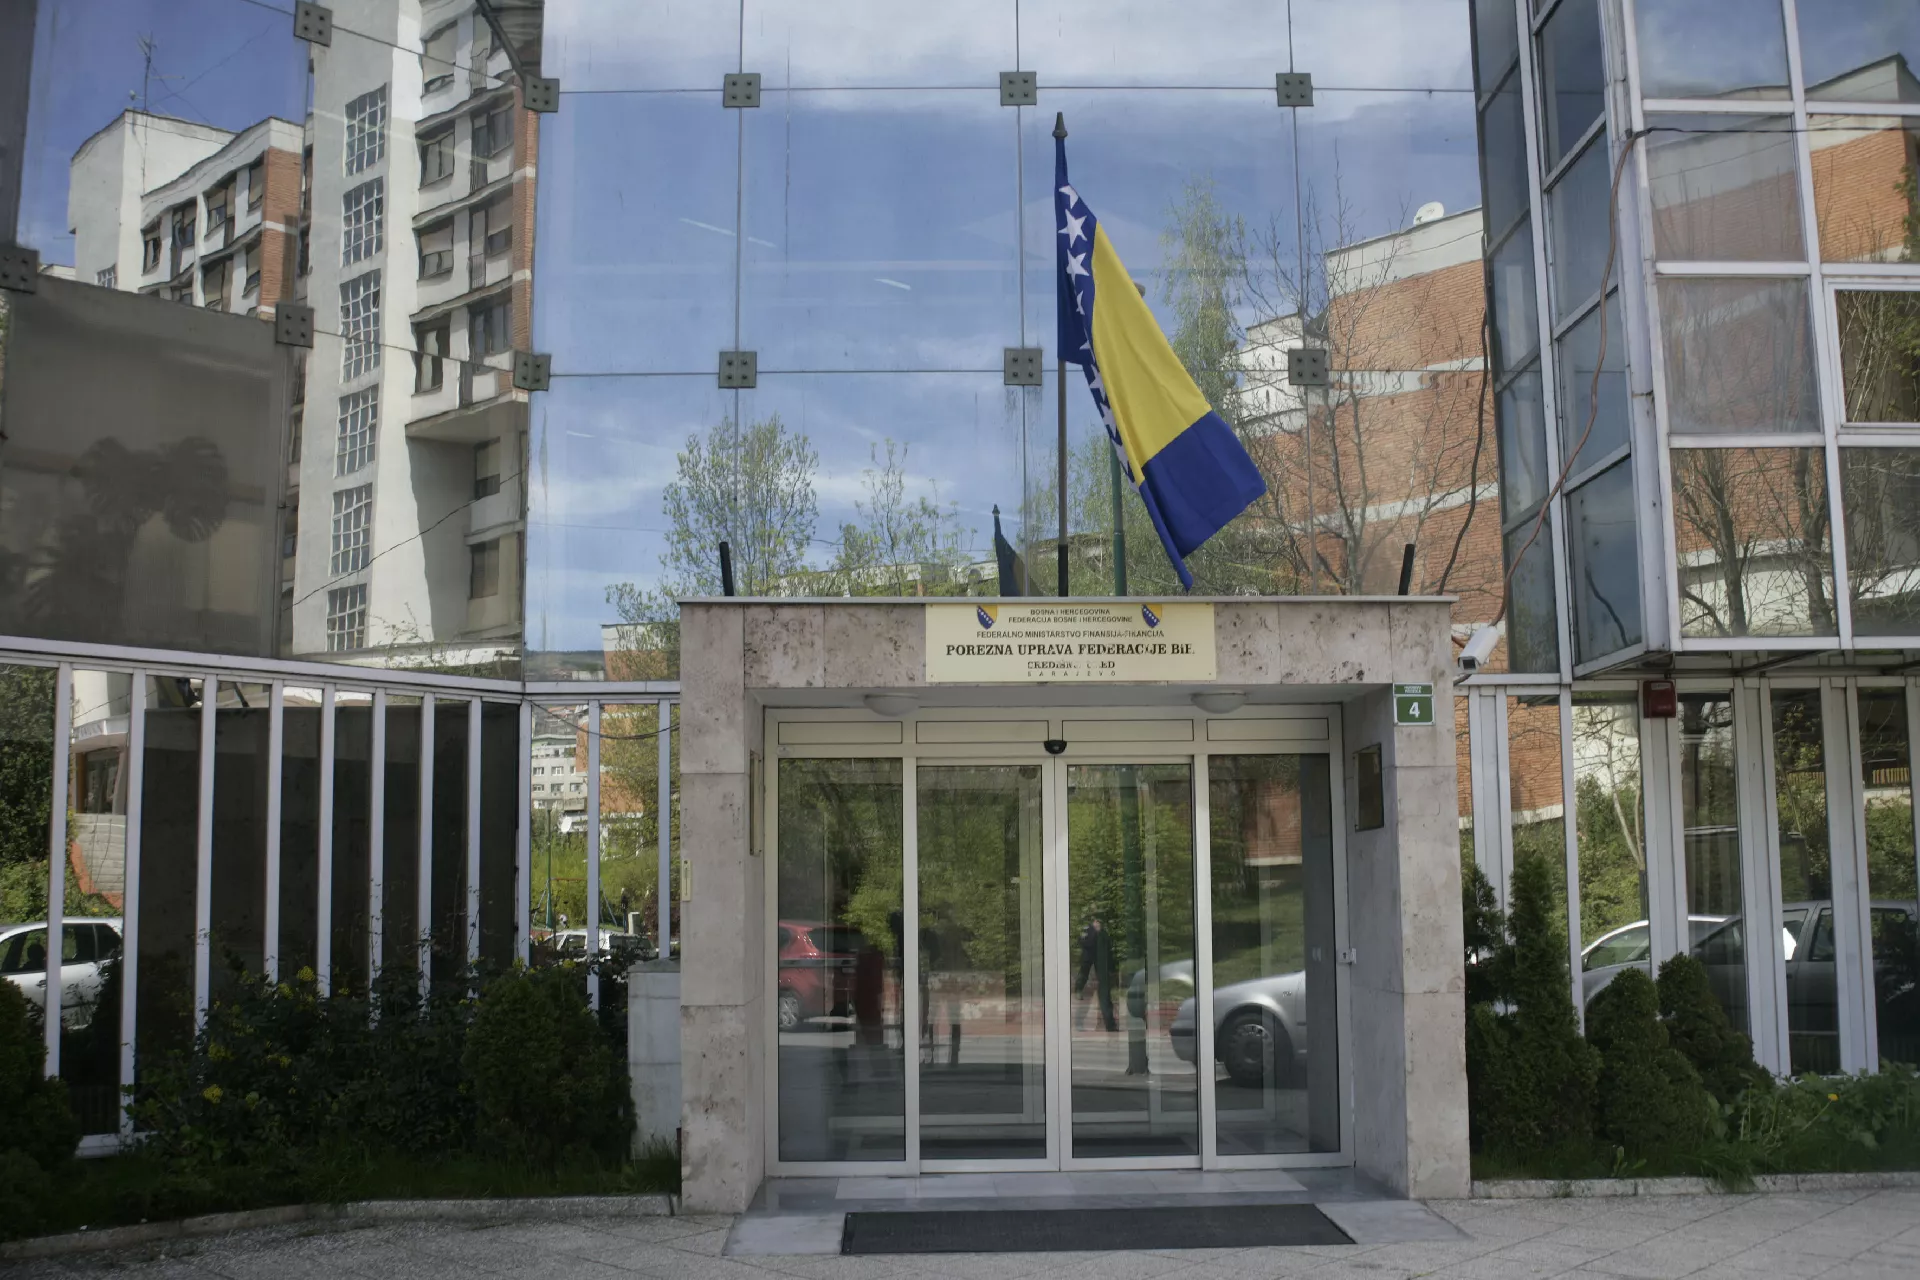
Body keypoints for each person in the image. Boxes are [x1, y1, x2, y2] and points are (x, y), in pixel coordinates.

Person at [1074, 916, 1117, 1032]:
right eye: (1096, 921)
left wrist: (1112, 969)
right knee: (1086, 1002)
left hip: (1100, 972)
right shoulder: (1088, 930)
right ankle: (1079, 1024)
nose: (1098, 923)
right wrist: (1094, 931)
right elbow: (1084, 942)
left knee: (1104, 998)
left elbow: (1108, 952)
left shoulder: (1103, 934)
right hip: (1088, 972)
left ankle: (1110, 1024)